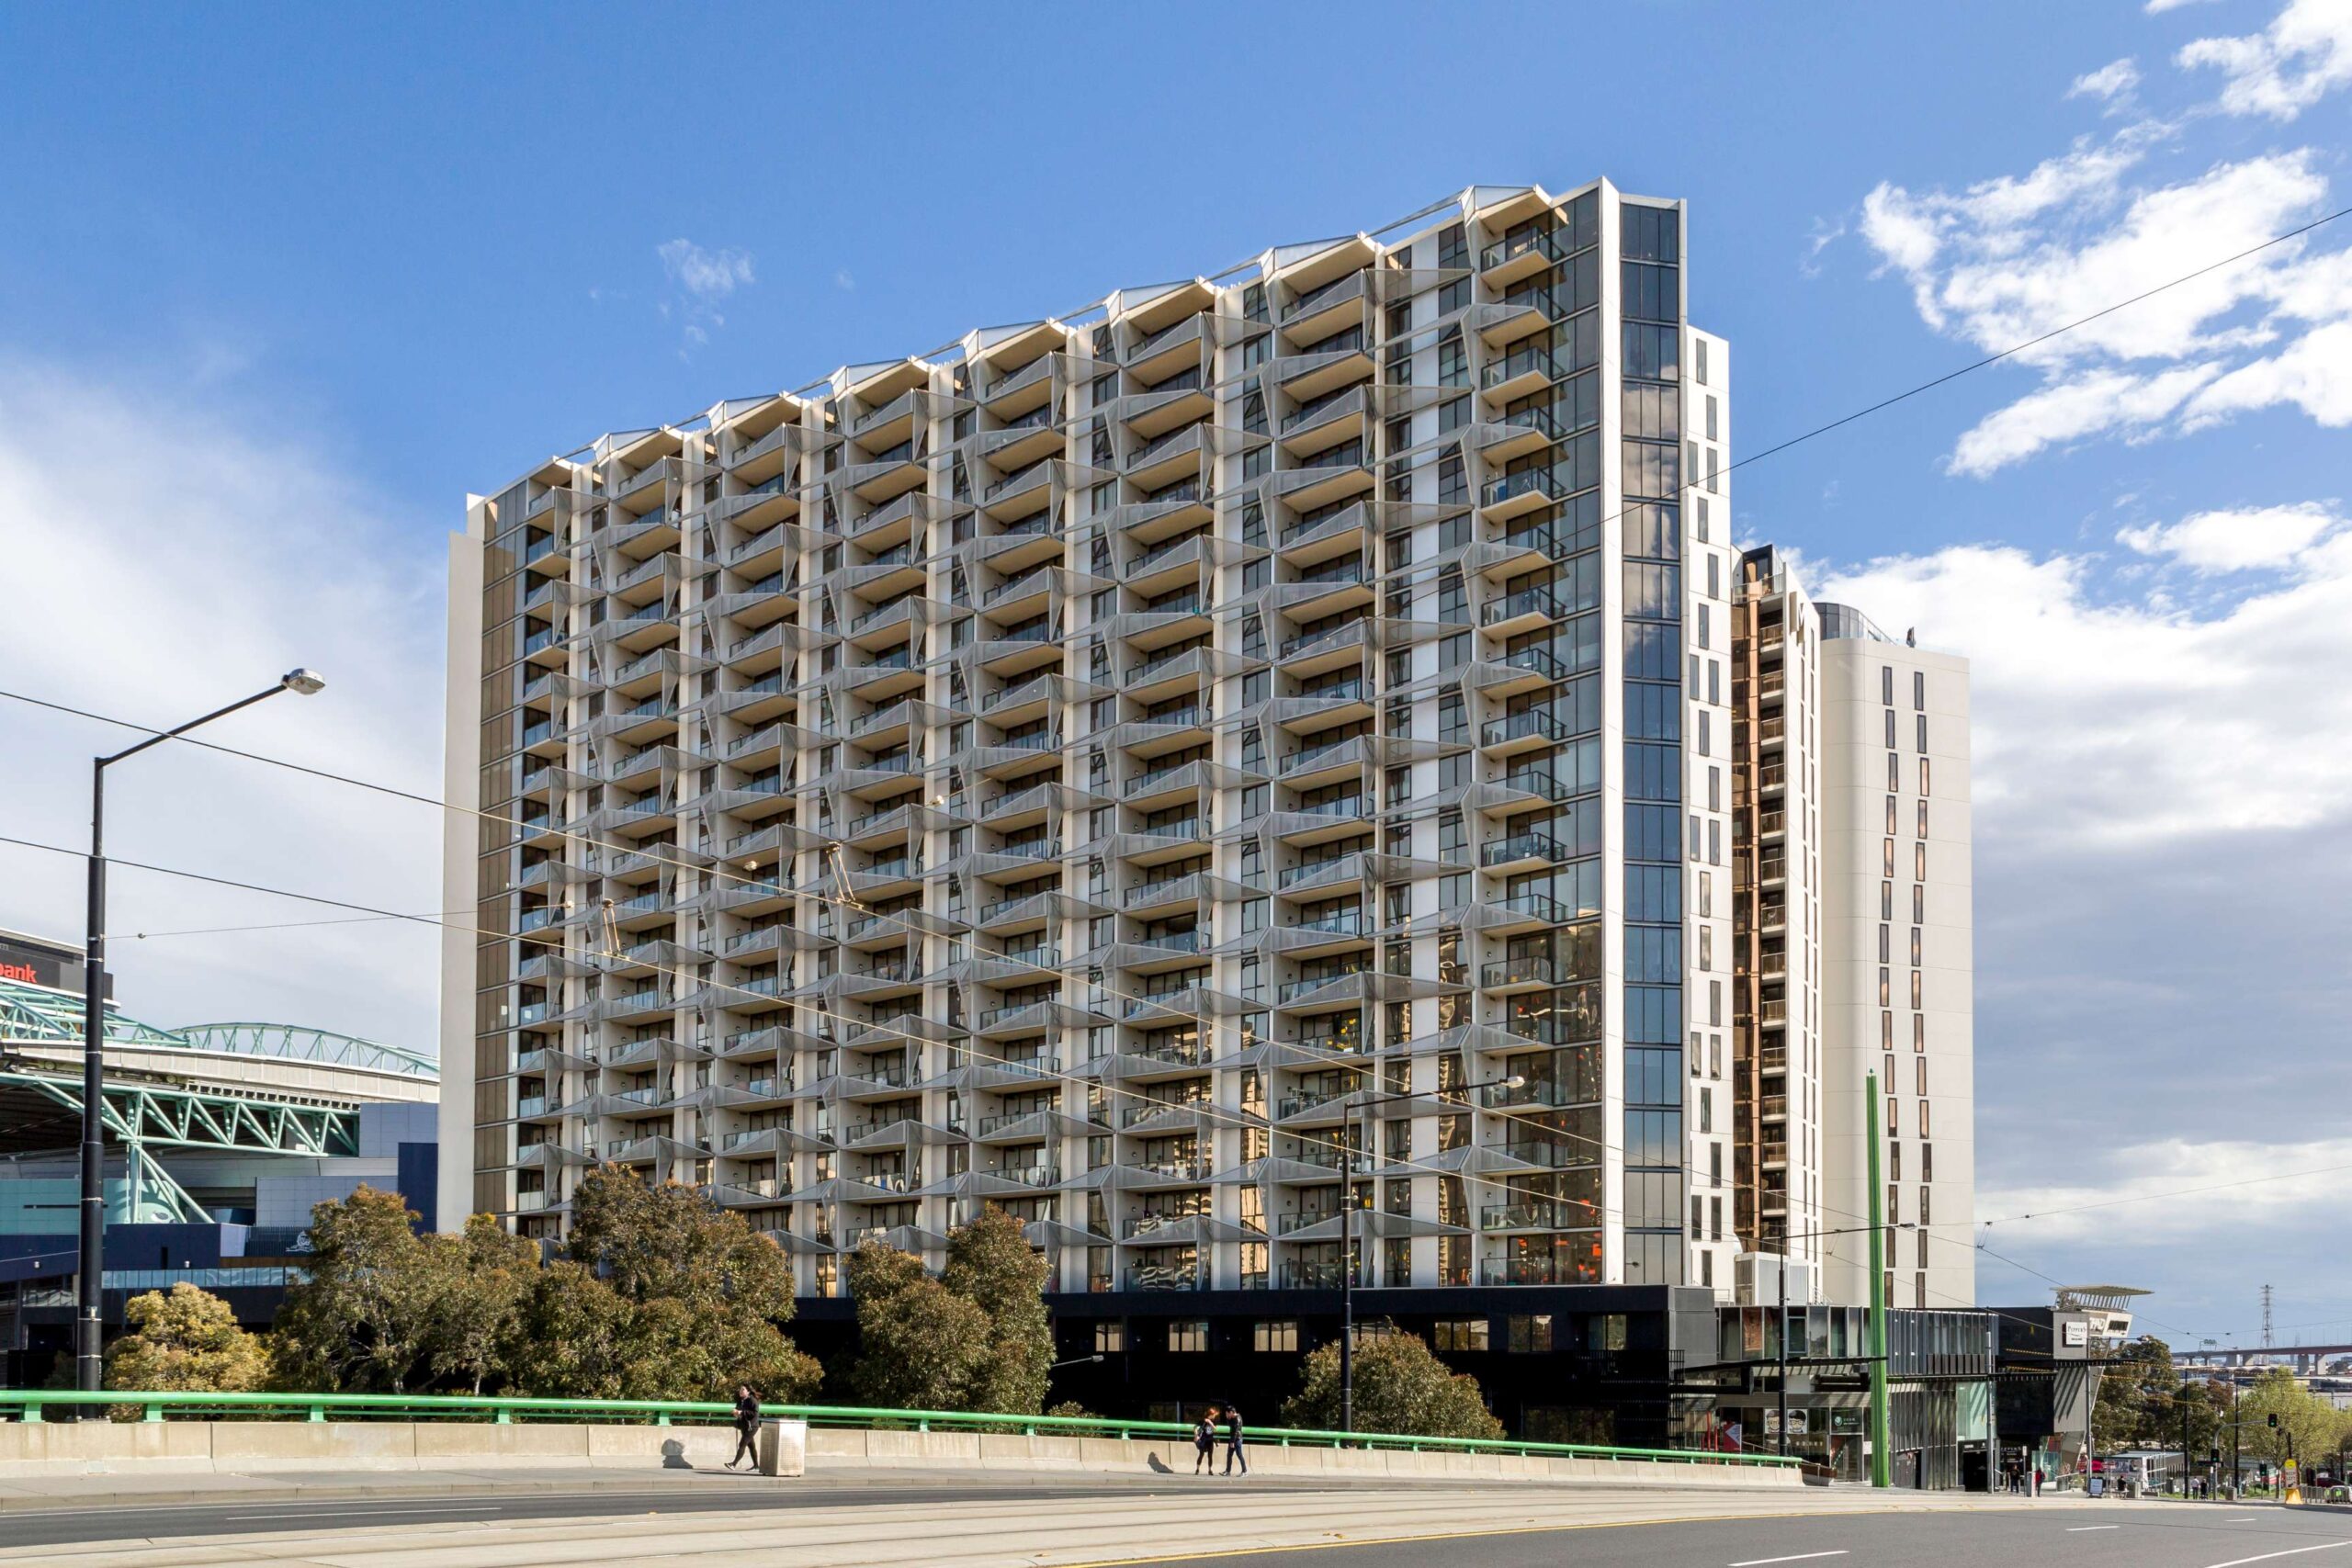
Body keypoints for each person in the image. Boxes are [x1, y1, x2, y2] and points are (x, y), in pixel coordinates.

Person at [727, 1383, 762, 1471]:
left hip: (752, 1427)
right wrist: (736, 1414)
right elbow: (739, 1412)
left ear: (748, 1391)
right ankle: (756, 1466)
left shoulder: (752, 1400)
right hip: (744, 1426)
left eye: (743, 1389)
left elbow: (755, 1413)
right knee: (751, 1446)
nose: (740, 1391)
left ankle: (733, 1464)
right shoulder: (741, 1401)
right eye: (740, 1389)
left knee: (742, 1444)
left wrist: (741, 1412)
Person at [1221, 1403, 1248, 1476]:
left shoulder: (1237, 1418)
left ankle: (1244, 1471)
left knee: (1239, 1455)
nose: (1227, 1415)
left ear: (1231, 1412)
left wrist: (1232, 1442)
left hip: (1237, 1439)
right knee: (1229, 1455)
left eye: (1227, 1414)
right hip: (1233, 1439)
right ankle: (1228, 1471)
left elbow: (1235, 1431)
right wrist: (1228, 1418)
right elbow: (1230, 1426)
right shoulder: (1232, 1418)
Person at [1193, 1408, 1217, 1475]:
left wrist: (1209, 1422)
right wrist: (1196, 1435)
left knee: (1210, 1456)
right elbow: (1195, 1427)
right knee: (1201, 1454)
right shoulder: (1203, 1421)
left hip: (1210, 1440)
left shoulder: (1214, 1421)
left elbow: (1215, 1429)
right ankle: (1197, 1469)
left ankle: (1210, 1470)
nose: (1215, 1416)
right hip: (1203, 1440)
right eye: (1214, 1415)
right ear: (1211, 1414)